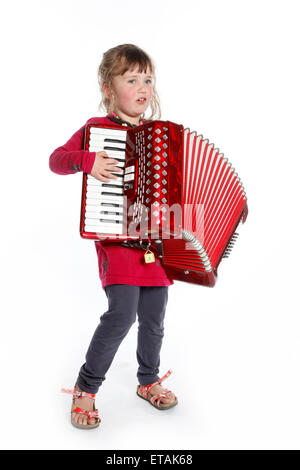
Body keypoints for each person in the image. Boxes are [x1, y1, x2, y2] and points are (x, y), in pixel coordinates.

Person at [49, 44, 178, 430]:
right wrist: (87, 160)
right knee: (121, 313)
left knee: (154, 318)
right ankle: (85, 388)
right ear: (109, 88)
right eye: (132, 79)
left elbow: (176, 189)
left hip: (154, 245)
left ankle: (147, 380)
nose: (143, 87)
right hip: (115, 240)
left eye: (148, 79)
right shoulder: (96, 130)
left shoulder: (161, 136)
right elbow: (56, 159)